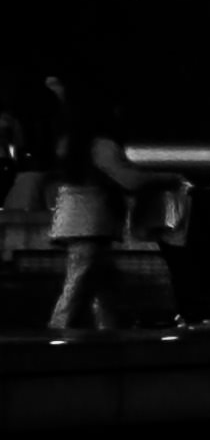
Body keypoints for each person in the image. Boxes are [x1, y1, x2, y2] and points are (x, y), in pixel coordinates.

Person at [40, 81, 183, 336]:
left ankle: (108, 335)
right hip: (91, 223)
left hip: (75, 221)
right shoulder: (102, 146)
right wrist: (170, 177)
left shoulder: (74, 143)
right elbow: (130, 180)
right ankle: (57, 336)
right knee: (79, 286)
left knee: (103, 288)